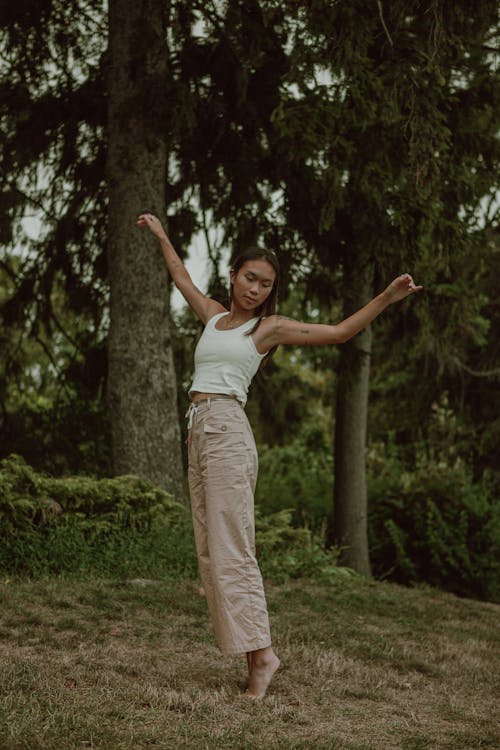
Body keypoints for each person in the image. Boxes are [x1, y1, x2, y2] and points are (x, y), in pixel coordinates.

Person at [137, 212, 422, 699]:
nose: (256, 290)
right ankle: (256, 653)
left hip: (227, 430)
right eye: (250, 278)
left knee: (234, 550)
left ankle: (263, 657)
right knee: (211, 551)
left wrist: (387, 298)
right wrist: (163, 236)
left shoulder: (266, 330)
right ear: (232, 274)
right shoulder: (213, 318)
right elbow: (181, 276)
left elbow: (337, 333)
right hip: (200, 430)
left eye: (266, 284)